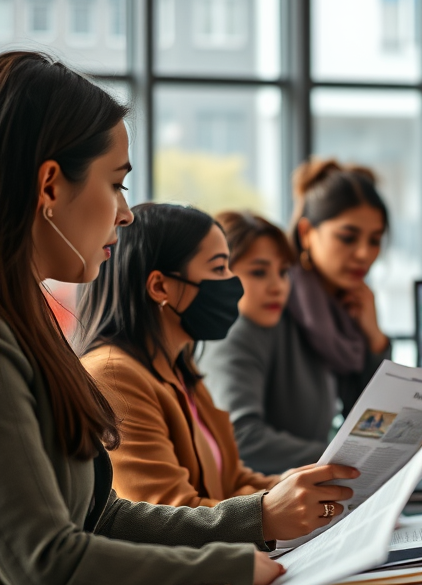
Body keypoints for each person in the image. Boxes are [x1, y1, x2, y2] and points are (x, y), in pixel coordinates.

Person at [0, 51, 316, 585]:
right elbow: (46, 564)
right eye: (116, 183)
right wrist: (227, 572)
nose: (124, 212)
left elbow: (101, 519)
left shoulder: (33, 325)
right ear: (48, 187)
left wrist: (258, 522)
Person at [78, 203, 358, 524]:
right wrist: (270, 508)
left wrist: (295, 485)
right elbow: (168, 516)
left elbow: (232, 482)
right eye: (219, 268)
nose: (232, 282)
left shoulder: (180, 369)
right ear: (160, 287)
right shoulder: (114, 375)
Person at [202, 161, 392, 474]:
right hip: (266, 500)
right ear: (306, 233)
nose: (364, 254)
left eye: (374, 240)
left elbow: (372, 424)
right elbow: (240, 439)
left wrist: (374, 339)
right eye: (348, 237)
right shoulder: (262, 310)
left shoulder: (339, 320)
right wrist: (355, 459)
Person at [203, 211, 336, 473]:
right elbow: (241, 439)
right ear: (219, 273)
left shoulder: (291, 325)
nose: (278, 286)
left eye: (283, 272)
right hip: (261, 499)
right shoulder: (233, 332)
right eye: (259, 272)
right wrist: (342, 458)